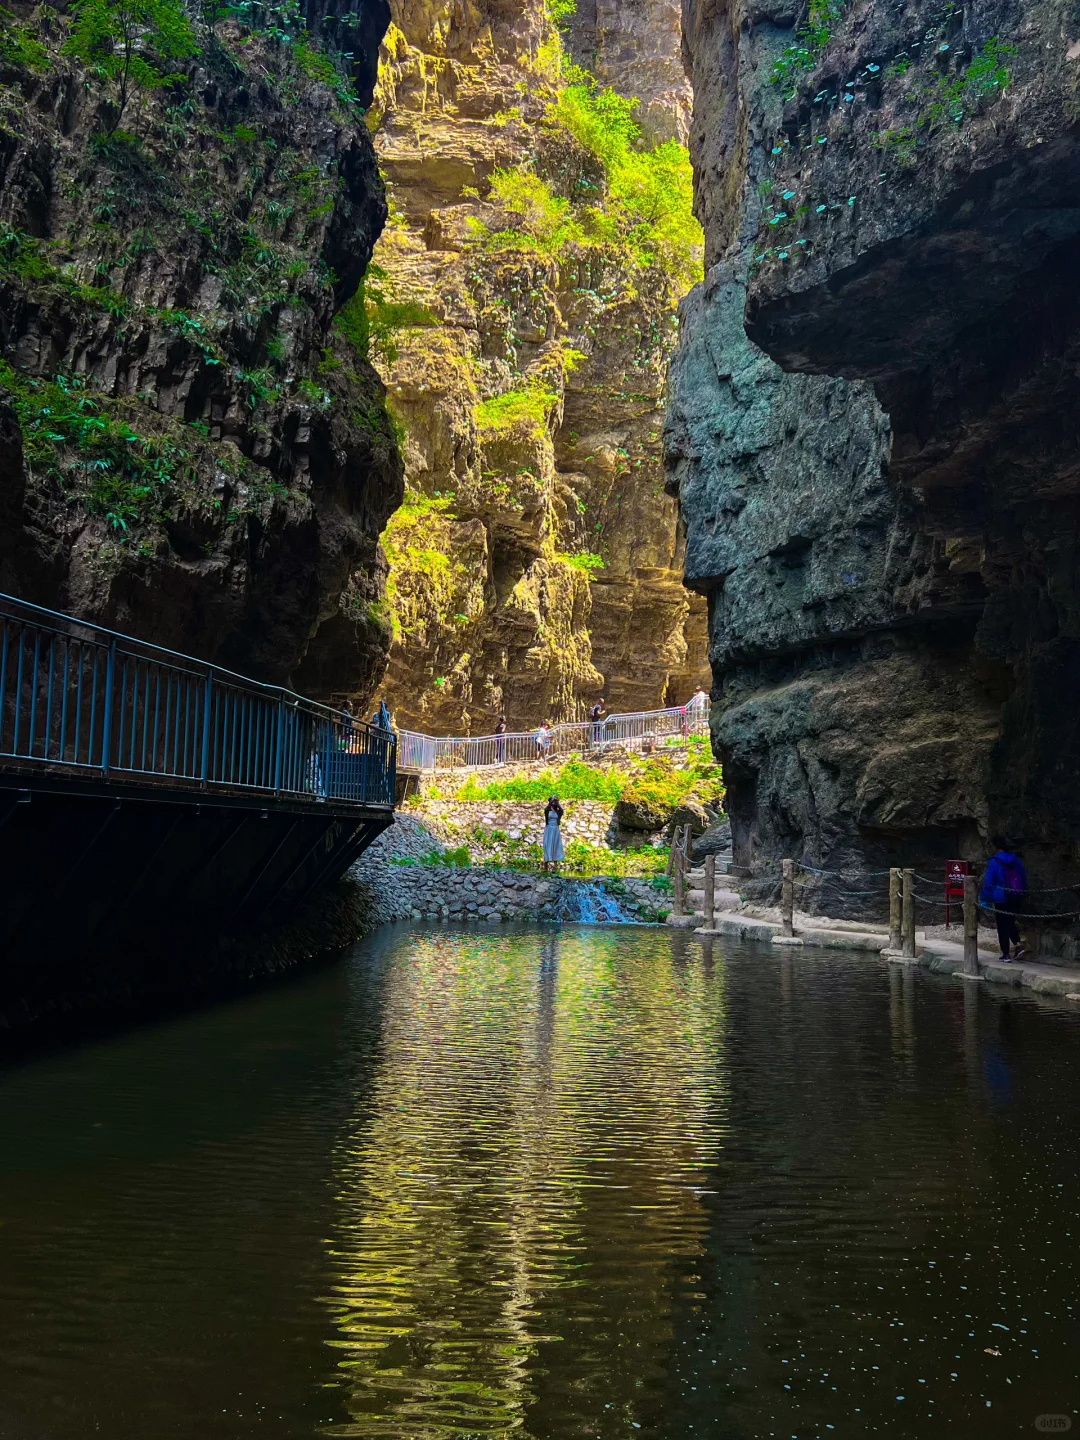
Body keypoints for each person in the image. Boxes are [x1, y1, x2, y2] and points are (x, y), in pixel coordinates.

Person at [979, 839, 1028, 961]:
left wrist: (984, 899)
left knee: (1002, 924)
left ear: (996, 848)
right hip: (1015, 895)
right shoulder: (1017, 861)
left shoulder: (994, 862)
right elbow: (1023, 877)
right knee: (1010, 920)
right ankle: (1017, 944)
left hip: (1001, 896)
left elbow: (989, 882)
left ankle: (1006, 953)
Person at [542, 795, 564, 872]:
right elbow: (546, 810)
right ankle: (546, 865)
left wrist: (558, 803)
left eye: (555, 801)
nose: (554, 802)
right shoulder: (547, 810)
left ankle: (555, 865)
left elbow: (562, 811)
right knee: (547, 845)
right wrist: (551, 801)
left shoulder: (558, 810)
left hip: (555, 829)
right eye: (553, 801)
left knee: (556, 845)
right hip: (549, 828)